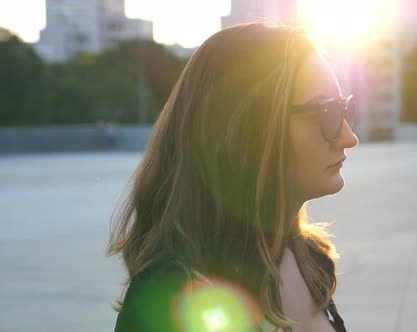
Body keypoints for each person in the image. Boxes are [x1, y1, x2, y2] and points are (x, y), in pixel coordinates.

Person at [107, 22, 358, 332]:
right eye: (328, 113)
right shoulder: (171, 295)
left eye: (344, 109)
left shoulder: (309, 258)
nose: (349, 137)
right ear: (250, 130)